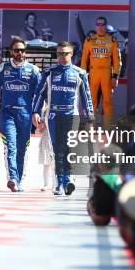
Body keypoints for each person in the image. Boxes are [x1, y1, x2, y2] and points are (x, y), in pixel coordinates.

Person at [32, 41, 94, 196]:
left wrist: (90, 119)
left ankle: (68, 180)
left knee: (69, 148)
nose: (61, 56)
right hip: (53, 115)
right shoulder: (49, 72)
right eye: (58, 53)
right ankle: (59, 183)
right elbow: (39, 94)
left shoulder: (80, 73)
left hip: (71, 115)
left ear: (71, 54)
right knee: (57, 149)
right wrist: (36, 112)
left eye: (65, 53)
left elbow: (87, 98)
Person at [0, 37, 41, 192]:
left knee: (22, 148)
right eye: (16, 50)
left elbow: (40, 94)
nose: (19, 53)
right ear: (11, 51)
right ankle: (12, 178)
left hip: (25, 114)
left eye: (22, 50)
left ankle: (19, 180)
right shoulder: (3, 68)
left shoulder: (34, 70)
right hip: (8, 113)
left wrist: (38, 113)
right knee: (10, 146)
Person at [80, 16, 121, 128]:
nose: (100, 27)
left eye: (102, 24)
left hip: (107, 73)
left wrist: (115, 76)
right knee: (91, 100)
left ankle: (107, 126)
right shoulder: (89, 40)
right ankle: (90, 125)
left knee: (107, 101)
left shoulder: (112, 40)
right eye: (98, 24)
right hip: (93, 73)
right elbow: (84, 60)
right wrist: (83, 75)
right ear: (95, 26)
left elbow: (117, 61)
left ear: (106, 26)